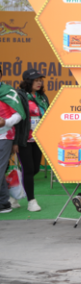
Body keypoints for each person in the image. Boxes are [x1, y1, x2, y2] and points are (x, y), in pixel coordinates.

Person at [13, 69, 50, 212]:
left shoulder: (42, 97)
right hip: (24, 138)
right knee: (28, 169)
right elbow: (16, 120)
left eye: (40, 80)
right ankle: (31, 201)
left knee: (35, 169)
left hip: (38, 138)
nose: (39, 83)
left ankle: (14, 190)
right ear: (28, 82)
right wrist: (15, 141)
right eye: (36, 80)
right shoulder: (20, 96)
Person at [0, 68, 26, 213]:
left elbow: (19, 114)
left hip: (4, 136)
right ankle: (4, 203)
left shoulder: (8, 92)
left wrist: (6, 122)